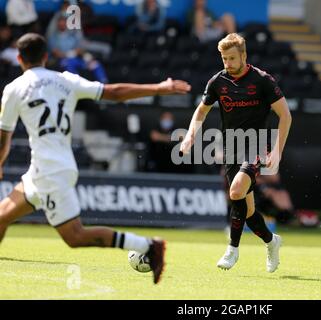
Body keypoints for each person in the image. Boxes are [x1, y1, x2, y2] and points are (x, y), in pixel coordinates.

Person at [0, 33, 191, 284]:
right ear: (46, 56)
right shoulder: (65, 80)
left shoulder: (14, 89)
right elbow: (114, 92)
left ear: (19, 58)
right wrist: (158, 88)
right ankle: (148, 245)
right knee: (2, 217)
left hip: (49, 172)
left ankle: (148, 246)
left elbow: (4, 138)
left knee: (75, 237)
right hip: (48, 168)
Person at [180, 33, 292, 272]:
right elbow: (201, 111)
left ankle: (232, 249)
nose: (227, 63)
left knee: (235, 190)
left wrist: (278, 152)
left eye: (232, 58)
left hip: (256, 144)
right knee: (247, 209)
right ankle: (272, 242)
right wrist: (191, 134)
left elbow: (285, 116)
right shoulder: (217, 81)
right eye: (223, 58)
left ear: (244, 55)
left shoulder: (262, 80)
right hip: (231, 147)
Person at [47, 16, 108, 83]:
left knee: (95, 64)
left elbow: (80, 49)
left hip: (77, 59)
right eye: (60, 23)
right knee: (68, 63)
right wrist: (70, 53)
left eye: (64, 23)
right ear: (57, 24)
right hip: (62, 61)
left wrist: (86, 57)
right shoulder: (53, 37)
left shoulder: (72, 35)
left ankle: (104, 85)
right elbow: (56, 53)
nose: (62, 25)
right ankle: (76, 84)